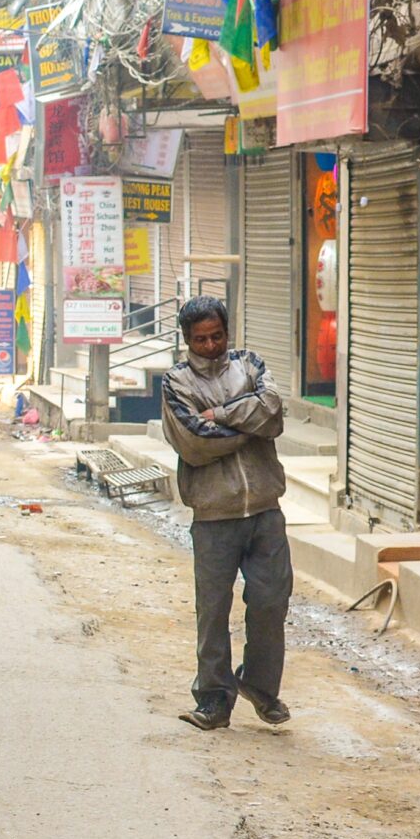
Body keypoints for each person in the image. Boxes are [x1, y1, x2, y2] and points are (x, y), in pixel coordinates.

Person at [160, 297, 293, 730]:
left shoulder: (249, 365)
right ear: (187, 341)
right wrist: (248, 426)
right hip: (215, 514)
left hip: (266, 510)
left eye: (217, 335)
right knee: (213, 610)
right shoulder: (176, 383)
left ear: (227, 331)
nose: (211, 345)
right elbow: (195, 443)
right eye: (201, 339)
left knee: (272, 603)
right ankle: (214, 700)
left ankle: (259, 684)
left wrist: (220, 415)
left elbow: (273, 412)